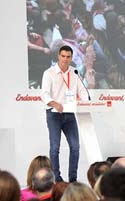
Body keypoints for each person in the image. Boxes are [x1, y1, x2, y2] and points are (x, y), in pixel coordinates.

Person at [40, 45, 89, 182]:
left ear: (71, 58)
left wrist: (86, 102)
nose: (65, 59)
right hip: (54, 114)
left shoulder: (74, 72)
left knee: (75, 147)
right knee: (55, 148)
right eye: (63, 56)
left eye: (68, 57)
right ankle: (57, 179)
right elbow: (44, 94)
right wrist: (55, 103)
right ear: (58, 56)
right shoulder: (49, 73)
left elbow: (83, 91)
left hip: (70, 114)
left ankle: (72, 178)